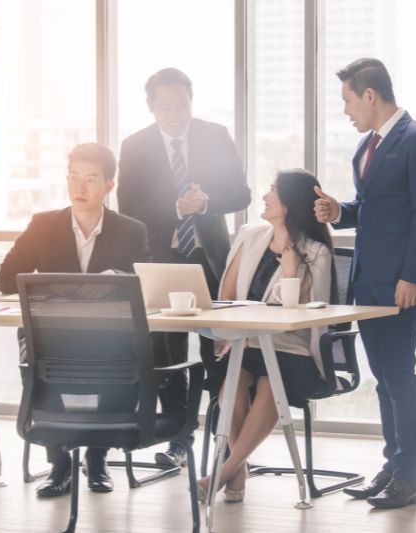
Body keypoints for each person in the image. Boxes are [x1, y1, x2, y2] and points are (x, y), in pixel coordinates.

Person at [313, 58, 416, 509]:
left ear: (370, 95)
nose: (346, 110)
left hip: (398, 283)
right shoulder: (369, 145)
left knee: (399, 376)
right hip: (369, 282)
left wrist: (414, 276)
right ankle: (392, 466)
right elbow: (373, 206)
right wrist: (340, 212)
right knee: (383, 380)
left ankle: (409, 477)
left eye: (349, 100)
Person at [0, 142, 151, 498]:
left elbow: (144, 280)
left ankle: (97, 459)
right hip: (52, 336)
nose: (79, 188)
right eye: (73, 178)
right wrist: (56, 284)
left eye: (91, 180)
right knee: (44, 366)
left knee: (118, 361)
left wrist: (116, 275)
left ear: (109, 186)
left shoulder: (131, 230)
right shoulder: (43, 224)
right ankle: (60, 464)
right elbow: (5, 280)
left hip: (108, 337)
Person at [117, 67, 251, 468]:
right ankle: (179, 438)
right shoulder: (135, 146)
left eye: (181, 105)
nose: (175, 116)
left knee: (219, 350)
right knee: (168, 353)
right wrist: (177, 207)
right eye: (165, 108)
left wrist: (205, 203)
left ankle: (224, 439)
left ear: (192, 100)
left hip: (209, 256)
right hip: (161, 259)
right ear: (150, 107)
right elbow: (128, 209)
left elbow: (241, 193)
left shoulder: (215, 135)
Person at [194, 169, 337, 503]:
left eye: (272, 190)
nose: (264, 196)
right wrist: (227, 332)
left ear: (288, 203)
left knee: (270, 383)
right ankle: (236, 471)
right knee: (233, 383)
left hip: (293, 347)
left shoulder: (316, 253)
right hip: (247, 341)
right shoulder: (250, 236)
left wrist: (289, 271)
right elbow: (226, 294)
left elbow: (307, 312)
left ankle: (224, 472)